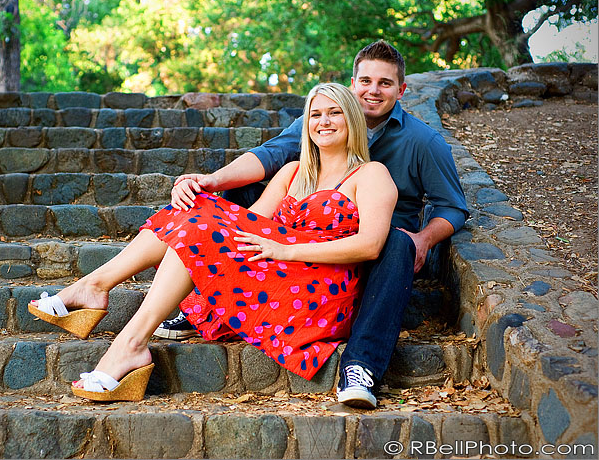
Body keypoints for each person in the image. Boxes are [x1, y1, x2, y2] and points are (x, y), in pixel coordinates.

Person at [29, 83, 398, 402]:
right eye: (316, 114)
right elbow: (249, 223)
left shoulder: (371, 175)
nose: (324, 121)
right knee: (196, 221)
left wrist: (287, 250)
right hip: (278, 273)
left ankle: (105, 306)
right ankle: (113, 318)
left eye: (335, 113)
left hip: (321, 290)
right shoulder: (292, 173)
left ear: (352, 118)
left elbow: (370, 246)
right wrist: (199, 199)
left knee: (199, 225)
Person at [162, 40, 469, 408]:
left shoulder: (423, 141)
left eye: (385, 83)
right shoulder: (324, 117)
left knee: (396, 242)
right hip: (309, 234)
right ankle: (212, 300)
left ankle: (360, 366)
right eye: (366, 81)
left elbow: (452, 207)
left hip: (375, 249)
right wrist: (212, 181)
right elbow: (272, 154)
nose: (373, 90)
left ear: (401, 90)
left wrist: (424, 238)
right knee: (224, 199)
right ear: (353, 84)